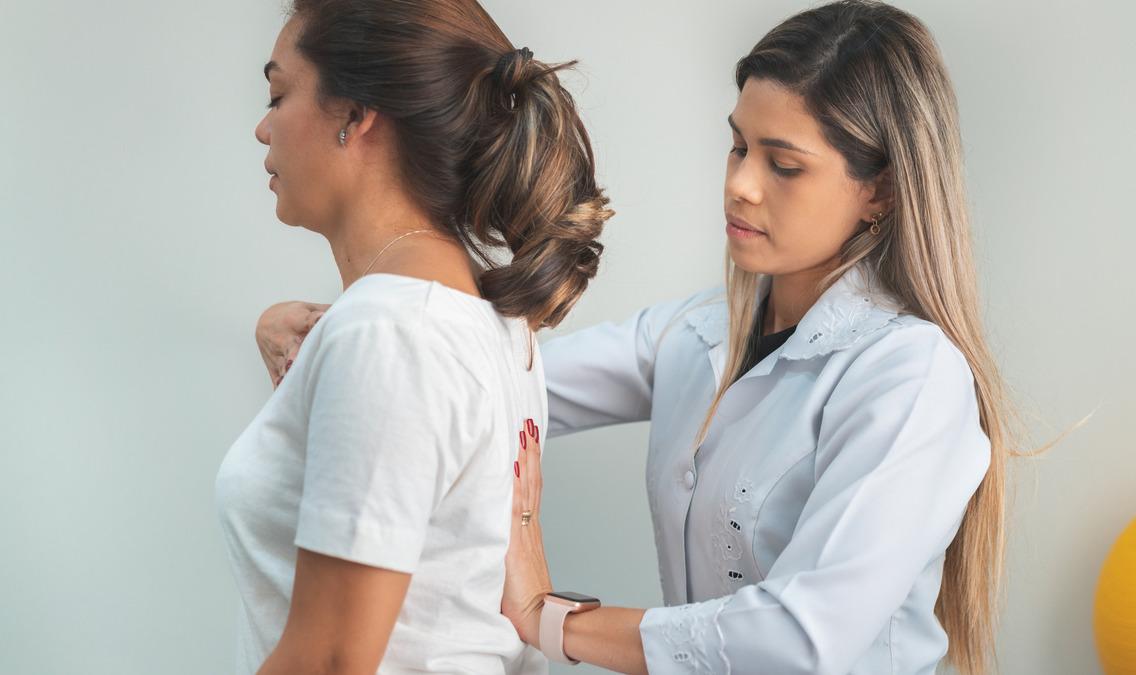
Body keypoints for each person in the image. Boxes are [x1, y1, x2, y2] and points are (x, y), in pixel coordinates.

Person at [259, 1, 1013, 673]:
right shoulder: (695, 334)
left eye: (784, 165)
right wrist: (324, 338)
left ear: (881, 190)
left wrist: (550, 620)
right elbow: (472, 378)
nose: (741, 185)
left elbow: (802, 637)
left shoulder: (910, 375)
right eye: (738, 147)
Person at [215, 1, 611, 673]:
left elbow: (331, 661)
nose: (262, 127)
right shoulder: (488, 321)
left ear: (354, 114)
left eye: (279, 95)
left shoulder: (388, 334)